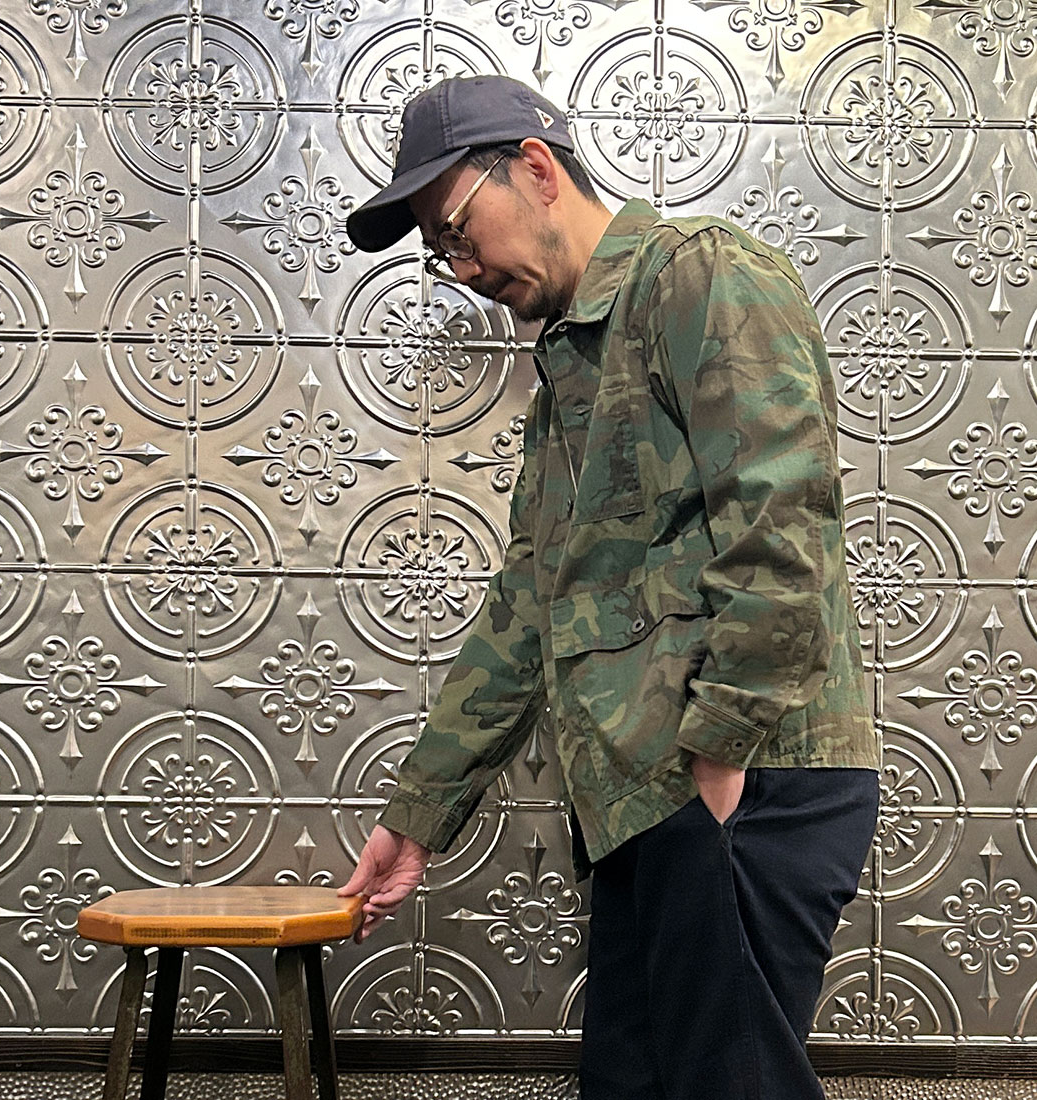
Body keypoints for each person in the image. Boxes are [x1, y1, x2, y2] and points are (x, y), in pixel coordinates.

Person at [339, 74, 880, 1100]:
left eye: (456, 230)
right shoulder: (569, 369)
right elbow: (526, 611)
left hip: (742, 775)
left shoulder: (701, 275)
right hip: (649, 793)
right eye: (439, 254)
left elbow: (780, 528)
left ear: (536, 169)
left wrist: (719, 754)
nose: (461, 269)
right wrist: (415, 818)